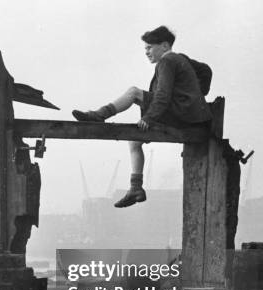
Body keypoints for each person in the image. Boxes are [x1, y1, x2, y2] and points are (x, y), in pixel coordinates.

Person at [72, 26, 212, 208]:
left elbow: (162, 95)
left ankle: (98, 115)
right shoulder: (180, 58)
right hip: (187, 114)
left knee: (133, 92)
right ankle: (136, 187)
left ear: (164, 45)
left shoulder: (167, 61)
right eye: (145, 49)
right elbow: (206, 70)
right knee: (134, 141)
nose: (146, 52)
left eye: (149, 47)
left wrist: (149, 118)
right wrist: (198, 94)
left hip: (180, 114)